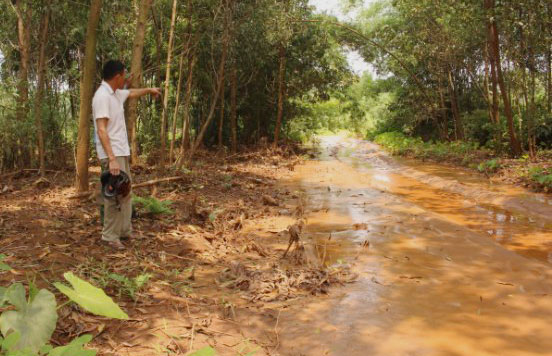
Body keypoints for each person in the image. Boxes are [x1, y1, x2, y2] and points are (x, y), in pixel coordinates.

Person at [93, 59, 161, 249]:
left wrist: (149, 90)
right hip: (112, 154)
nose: (125, 78)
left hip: (121, 152)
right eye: (123, 75)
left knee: (125, 192)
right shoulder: (102, 97)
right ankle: (109, 236)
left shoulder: (115, 93)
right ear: (117, 76)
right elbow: (101, 130)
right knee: (114, 195)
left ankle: (123, 232)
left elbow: (131, 93)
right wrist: (112, 159)